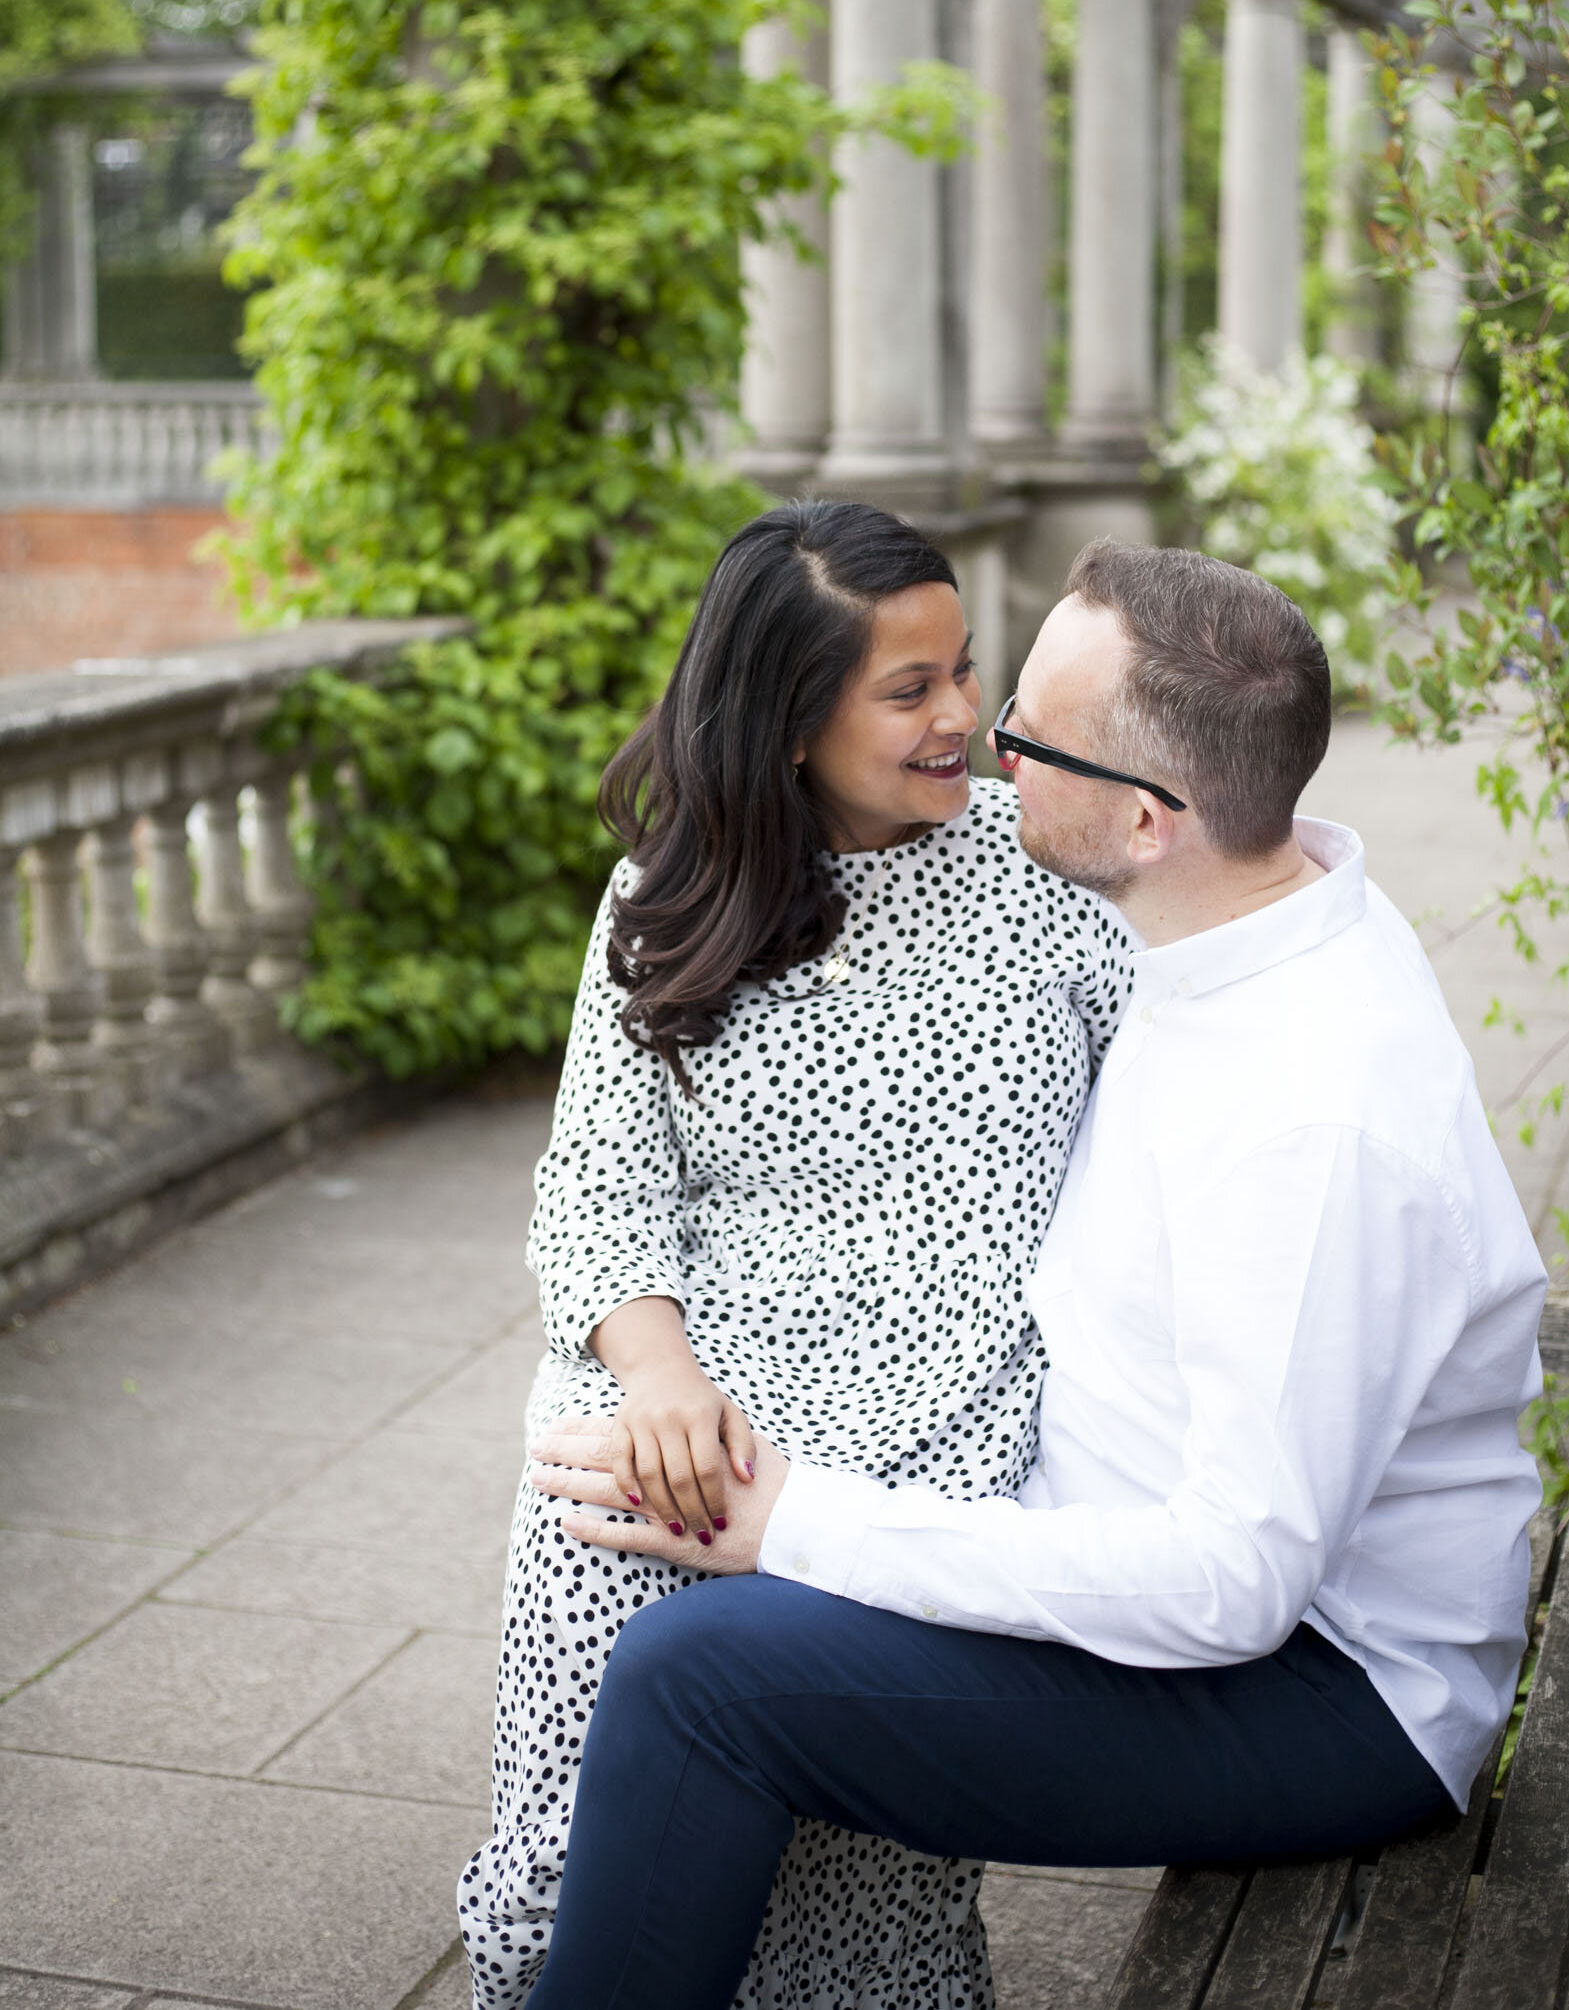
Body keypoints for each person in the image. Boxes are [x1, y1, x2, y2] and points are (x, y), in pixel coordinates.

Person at [527, 541, 1550, 2010]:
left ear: (1146, 815)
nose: (986, 743)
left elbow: (1232, 1584)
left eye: (1024, 727)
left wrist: (805, 1520)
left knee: (703, 1678)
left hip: (1322, 1691)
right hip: (1166, 1555)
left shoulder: (1314, 1126)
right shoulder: (1245, 907)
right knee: (625, 1561)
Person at [458, 501, 1133, 2010]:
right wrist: (659, 1375)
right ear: (784, 718)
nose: (968, 716)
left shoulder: (1049, 883)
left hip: (932, 1434)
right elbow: (595, 1186)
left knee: (831, 1797)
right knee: (595, 1683)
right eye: (912, 689)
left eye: (967, 668)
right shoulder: (666, 898)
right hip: (690, 1404)